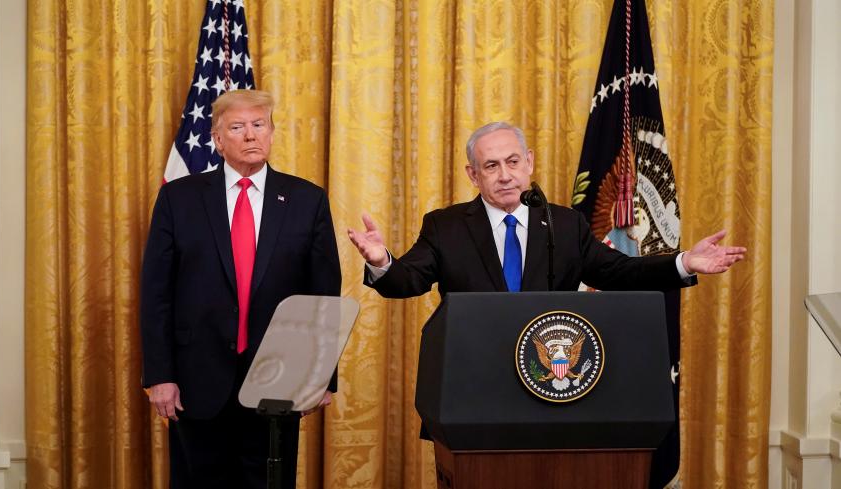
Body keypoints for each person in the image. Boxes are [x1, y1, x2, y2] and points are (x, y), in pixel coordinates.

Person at [140, 90, 341, 489]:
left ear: (271, 132)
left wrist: (320, 376)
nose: (251, 135)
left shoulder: (307, 199)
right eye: (237, 127)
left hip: (279, 381)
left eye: (259, 125)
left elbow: (324, 296)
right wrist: (160, 374)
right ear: (217, 138)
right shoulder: (178, 199)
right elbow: (156, 293)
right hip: (196, 380)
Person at [348, 121, 745, 297]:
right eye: (491, 166)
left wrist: (685, 262)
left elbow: (620, 271)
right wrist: (383, 260)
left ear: (529, 162)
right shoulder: (445, 226)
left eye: (513, 161)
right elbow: (407, 283)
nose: (505, 175)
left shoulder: (564, 224)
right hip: (471, 379)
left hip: (552, 374)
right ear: (473, 175)